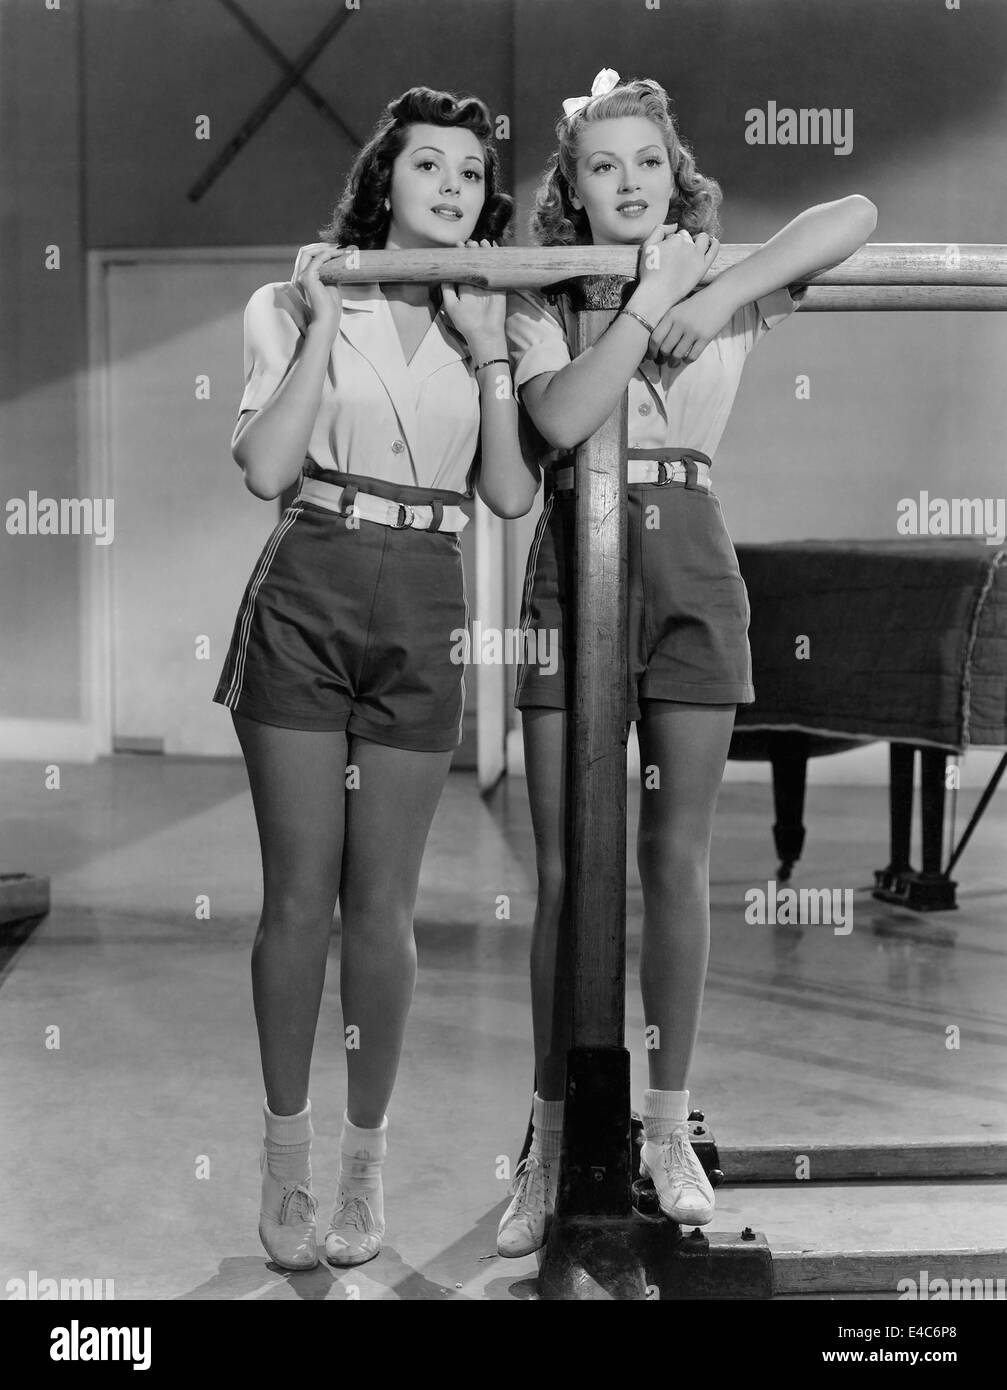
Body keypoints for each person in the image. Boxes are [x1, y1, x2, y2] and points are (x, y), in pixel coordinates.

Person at [498, 68, 877, 1256]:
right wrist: (637, 303)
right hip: (575, 558)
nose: (624, 183)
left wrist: (720, 293)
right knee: (567, 870)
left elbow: (852, 215)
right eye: (600, 165)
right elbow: (557, 426)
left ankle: (663, 1128)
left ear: (674, 173)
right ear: (570, 183)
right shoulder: (540, 288)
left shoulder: (718, 278)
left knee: (675, 856)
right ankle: (552, 1134)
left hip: (692, 562)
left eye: (645, 163)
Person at [213, 86, 538, 1271]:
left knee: (382, 910)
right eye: (428, 168)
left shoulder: (487, 320)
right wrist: (315, 320)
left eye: (469, 172)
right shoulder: (287, 300)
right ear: (382, 184)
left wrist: (496, 352)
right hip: (308, 578)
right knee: (298, 901)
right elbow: (264, 465)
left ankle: (363, 1165)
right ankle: (283, 1163)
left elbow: (506, 494)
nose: (452, 187)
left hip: (424, 593)